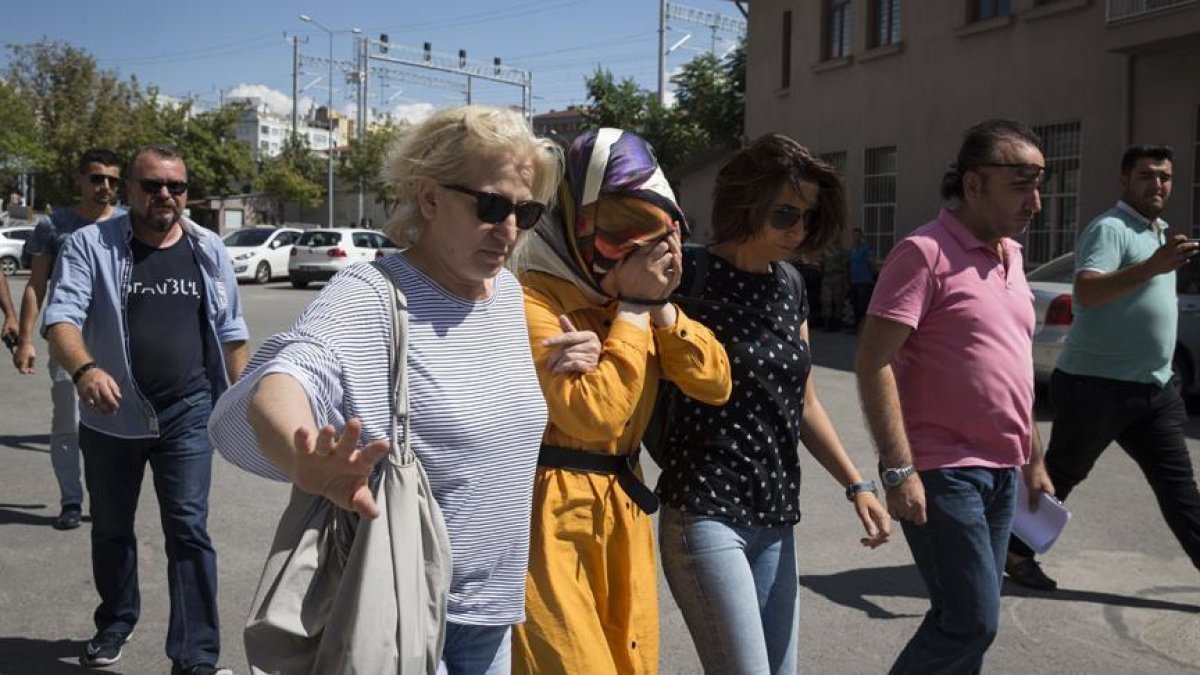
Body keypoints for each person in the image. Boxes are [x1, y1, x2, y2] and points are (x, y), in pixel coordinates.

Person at [209, 105, 565, 674]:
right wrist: (304, 456)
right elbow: (286, 378)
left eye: (526, 212)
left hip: (494, 610)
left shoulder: (504, 295)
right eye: (492, 206)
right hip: (401, 602)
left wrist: (563, 358)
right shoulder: (372, 293)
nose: (509, 230)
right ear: (429, 198)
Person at [655, 133, 890, 674]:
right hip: (704, 508)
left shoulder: (791, 286)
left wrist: (857, 484)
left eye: (808, 217)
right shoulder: (688, 276)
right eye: (785, 214)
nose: (799, 230)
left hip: (776, 513)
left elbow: (805, 403)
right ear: (748, 202)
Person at [511, 128, 732, 675]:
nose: (642, 249)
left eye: (659, 231)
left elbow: (714, 381)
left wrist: (659, 308)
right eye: (621, 228)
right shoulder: (532, 298)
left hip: (622, 515)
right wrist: (634, 309)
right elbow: (593, 414)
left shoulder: (625, 300)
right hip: (548, 519)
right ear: (576, 220)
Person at [854, 119, 1054, 674]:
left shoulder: (1013, 256)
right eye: (1021, 185)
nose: (1036, 202)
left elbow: (1013, 369)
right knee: (972, 620)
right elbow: (873, 362)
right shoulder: (924, 253)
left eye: (1039, 186)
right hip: (943, 470)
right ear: (973, 184)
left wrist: (1034, 458)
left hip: (1002, 472)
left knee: (967, 625)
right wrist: (899, 469)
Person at [42, 145, 248, 674]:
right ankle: (115, 621)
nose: (165, 195)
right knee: (112, 527)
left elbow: (231, 330)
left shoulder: (208, 248)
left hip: (189, 410)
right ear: (129, 189)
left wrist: (246, 399)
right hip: (114, 414)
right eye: (152, 185)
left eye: (175, 186)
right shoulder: (90, 244)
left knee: (189, 529)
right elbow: (61, 318)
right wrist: (86, 370)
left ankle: (196, 658)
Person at [1005, 145, 1200, 591]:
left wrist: (1158, 261)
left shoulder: (1159, 232)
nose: (1157, 184)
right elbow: (1088, 293)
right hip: (1096, 386)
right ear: (1124, 180)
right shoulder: (1110, 228)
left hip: (1154, 388)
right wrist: (1152, 266)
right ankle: (1015, 551)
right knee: (1060, 475)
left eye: (1165, 177)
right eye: (1147, 176)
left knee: (1180, 490)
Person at [13, 148, 125, 531]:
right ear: (79, 179)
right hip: (67, 339)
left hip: (117, 340)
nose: (105, 186)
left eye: (112, 179)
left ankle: (107, 498)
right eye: (96, 178)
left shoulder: (127, 223)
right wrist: (25, 339)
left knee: (116, 422)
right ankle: (71, 500)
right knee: (68, 422)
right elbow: (35, 286)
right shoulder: (54, 225)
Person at [847, 226, 876, 328]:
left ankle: (863, 326)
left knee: (862, 305)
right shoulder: (851, 250)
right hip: (854, 280)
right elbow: (849, 265)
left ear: (861, 236)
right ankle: (856, 324)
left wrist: (873, 275)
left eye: (858, 236)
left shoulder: (866, 249)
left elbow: (871, 263)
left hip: (864, 280)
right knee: (855, 304)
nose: (856, 238)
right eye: (854, 236)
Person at [819, 239, 849, 331]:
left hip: (838, 276)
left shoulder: (841, 250)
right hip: (827, 277)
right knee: (826, 300)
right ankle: (827, 322)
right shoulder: (824, 250)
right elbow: (821, 264)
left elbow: (845, 266)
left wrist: (846, 281)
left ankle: (837, 321)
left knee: (838, 299)